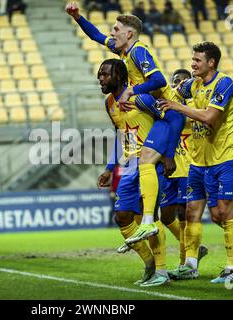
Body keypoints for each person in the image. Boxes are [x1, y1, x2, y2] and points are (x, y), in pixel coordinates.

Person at [65, 2, 184, 249]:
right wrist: (78, 18)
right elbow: (96, 36)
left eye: (116, 29)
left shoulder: (139, 51)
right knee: (141, 170)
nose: (112, 33)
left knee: (155, 178)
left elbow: (160, 79)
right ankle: (151, 232)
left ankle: (161, 234)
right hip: (152, 113)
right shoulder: (123, 53)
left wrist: (131, 91)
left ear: (129, 33)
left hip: (168, 113)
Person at [158, 42, 233, 283]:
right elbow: (167, 95)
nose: (192, 63)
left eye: (197, 60)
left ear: (211, 63)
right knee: (191, 211)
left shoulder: (224, 83)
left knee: (224, 214)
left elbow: (210, 116)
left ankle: (232, 270)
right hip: (201, 160)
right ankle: (190, 265)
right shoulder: (192, 84)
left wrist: (177, 106)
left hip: (229, 157)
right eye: (192, 59)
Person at [97, 59, 172, 287]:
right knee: (122, 217)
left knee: (153, 219)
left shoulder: (142, 98)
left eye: (105, 74)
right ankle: (149, 263)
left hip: (150, 162)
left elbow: (169, 120)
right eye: (99, 74)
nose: (100, 78)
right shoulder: (110, 103)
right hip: (129, 165)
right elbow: (122, 134)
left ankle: (162, 272)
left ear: (119, 75)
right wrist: (110, 168)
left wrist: (168, 155)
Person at [156, 69, 209, 273]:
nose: (178, 84)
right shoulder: (168, 107)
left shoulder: (195, 106)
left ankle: (185, 263)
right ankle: (193, 248)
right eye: (174, 81)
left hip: (188, 167)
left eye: (182, 81)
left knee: (184, 214)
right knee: (167, 217)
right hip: (170, 168)